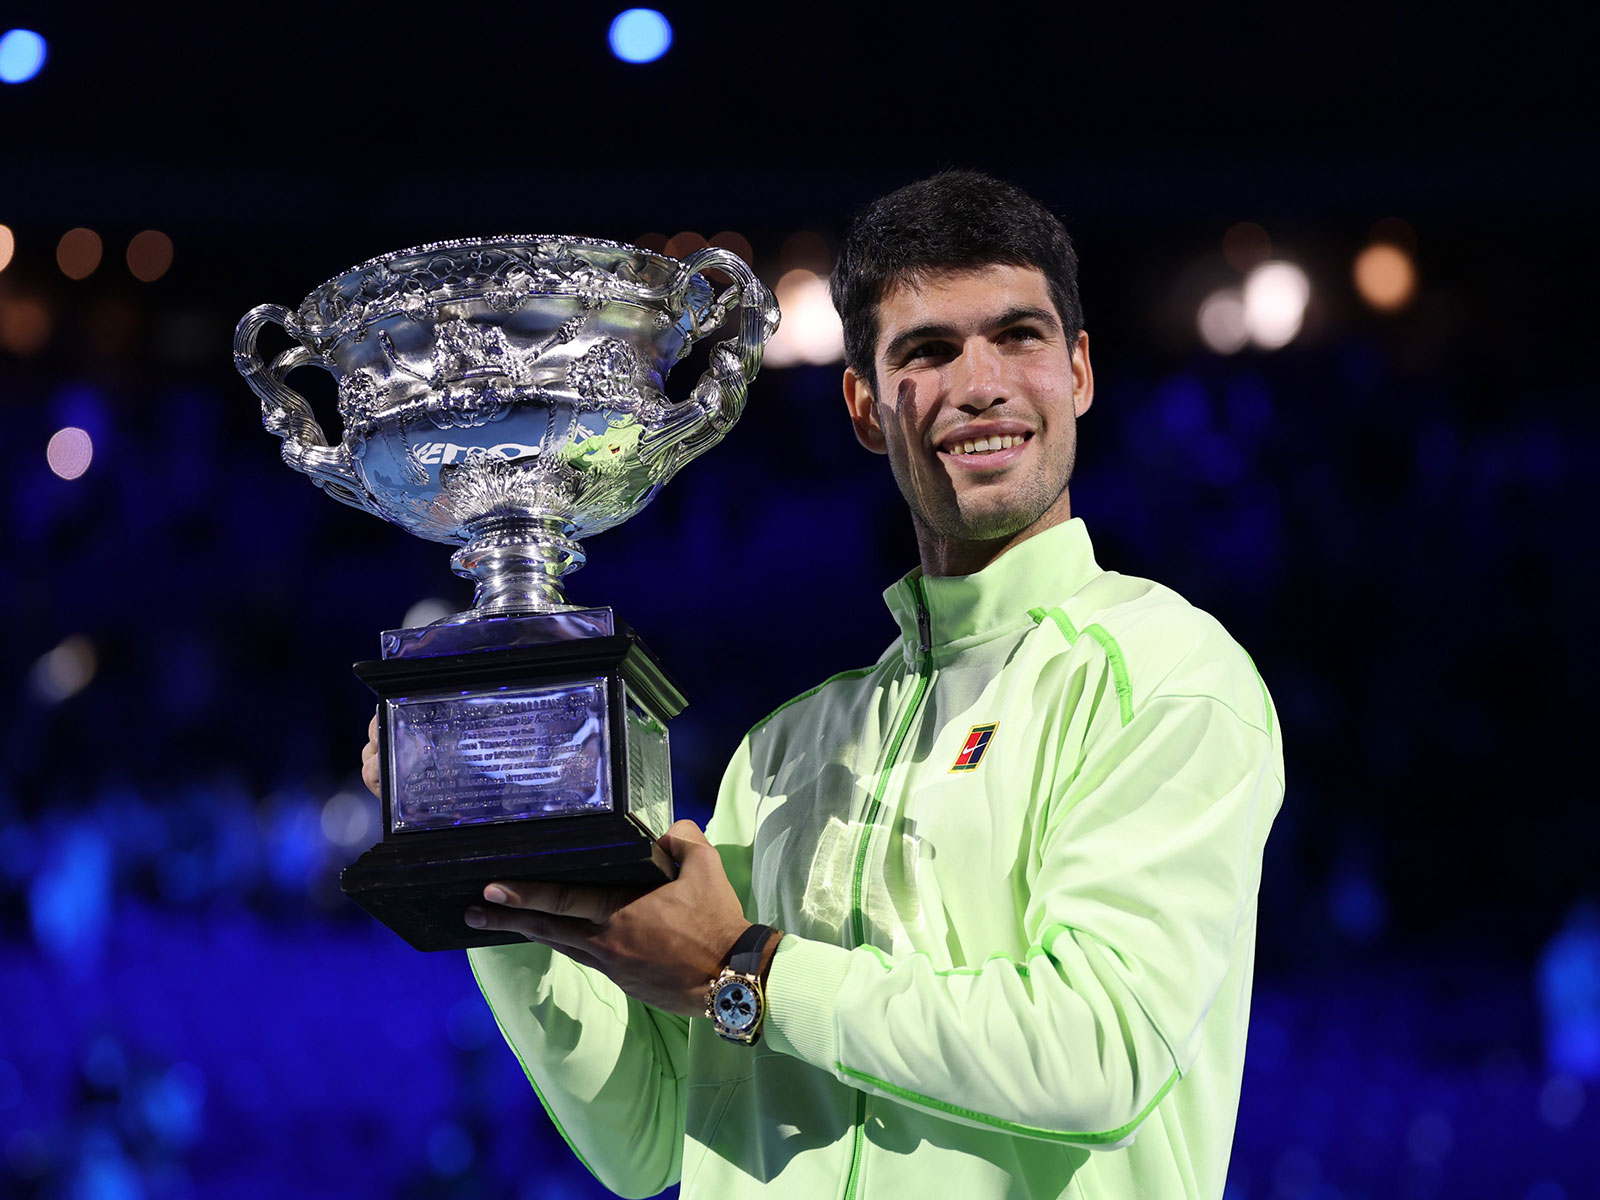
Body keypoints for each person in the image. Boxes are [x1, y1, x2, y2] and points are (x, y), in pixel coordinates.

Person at [360, 170, 1284, 1199]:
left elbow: (1100, 1051)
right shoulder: (784, 750)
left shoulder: (1161, 673)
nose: (978, 383)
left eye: (1016, 337)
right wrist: (501, 870)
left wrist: (745, 966)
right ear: (863, 405)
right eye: (926, 351)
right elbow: (648, 1140)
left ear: (1077, 372)